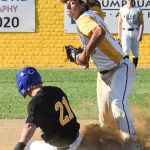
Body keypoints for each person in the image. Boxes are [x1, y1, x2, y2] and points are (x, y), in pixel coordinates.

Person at [60, 0, 140, 149]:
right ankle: (111, 144)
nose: (68, 6)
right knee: (105, 117)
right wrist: (84, 56)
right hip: (103, 75)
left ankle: (133, 144)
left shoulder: (83, 19)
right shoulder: (94, 13)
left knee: (117, 102)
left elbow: (99, 32)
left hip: (120, 68)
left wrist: (85, 54)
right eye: (67, 4)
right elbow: (97, 5)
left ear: (82, 5)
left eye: (72, 3)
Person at [14, 66, 82, 150]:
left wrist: (20, 144)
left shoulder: (35, 103)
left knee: (29, 146)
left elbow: (30, 126)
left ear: (23, 84)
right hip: (78, 139)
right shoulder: (56, 90)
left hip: (61, 147)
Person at [118, 0, 144, 68]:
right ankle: (126, 69)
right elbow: (120, 23)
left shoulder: (138, 9)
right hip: (125, 32)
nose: (131, 1)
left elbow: (141, 23)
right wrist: (119, 35)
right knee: (125, 51)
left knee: (135, 52)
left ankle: (134, 69)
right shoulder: (122, 9)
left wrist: (140, 34)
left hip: (135, 32)